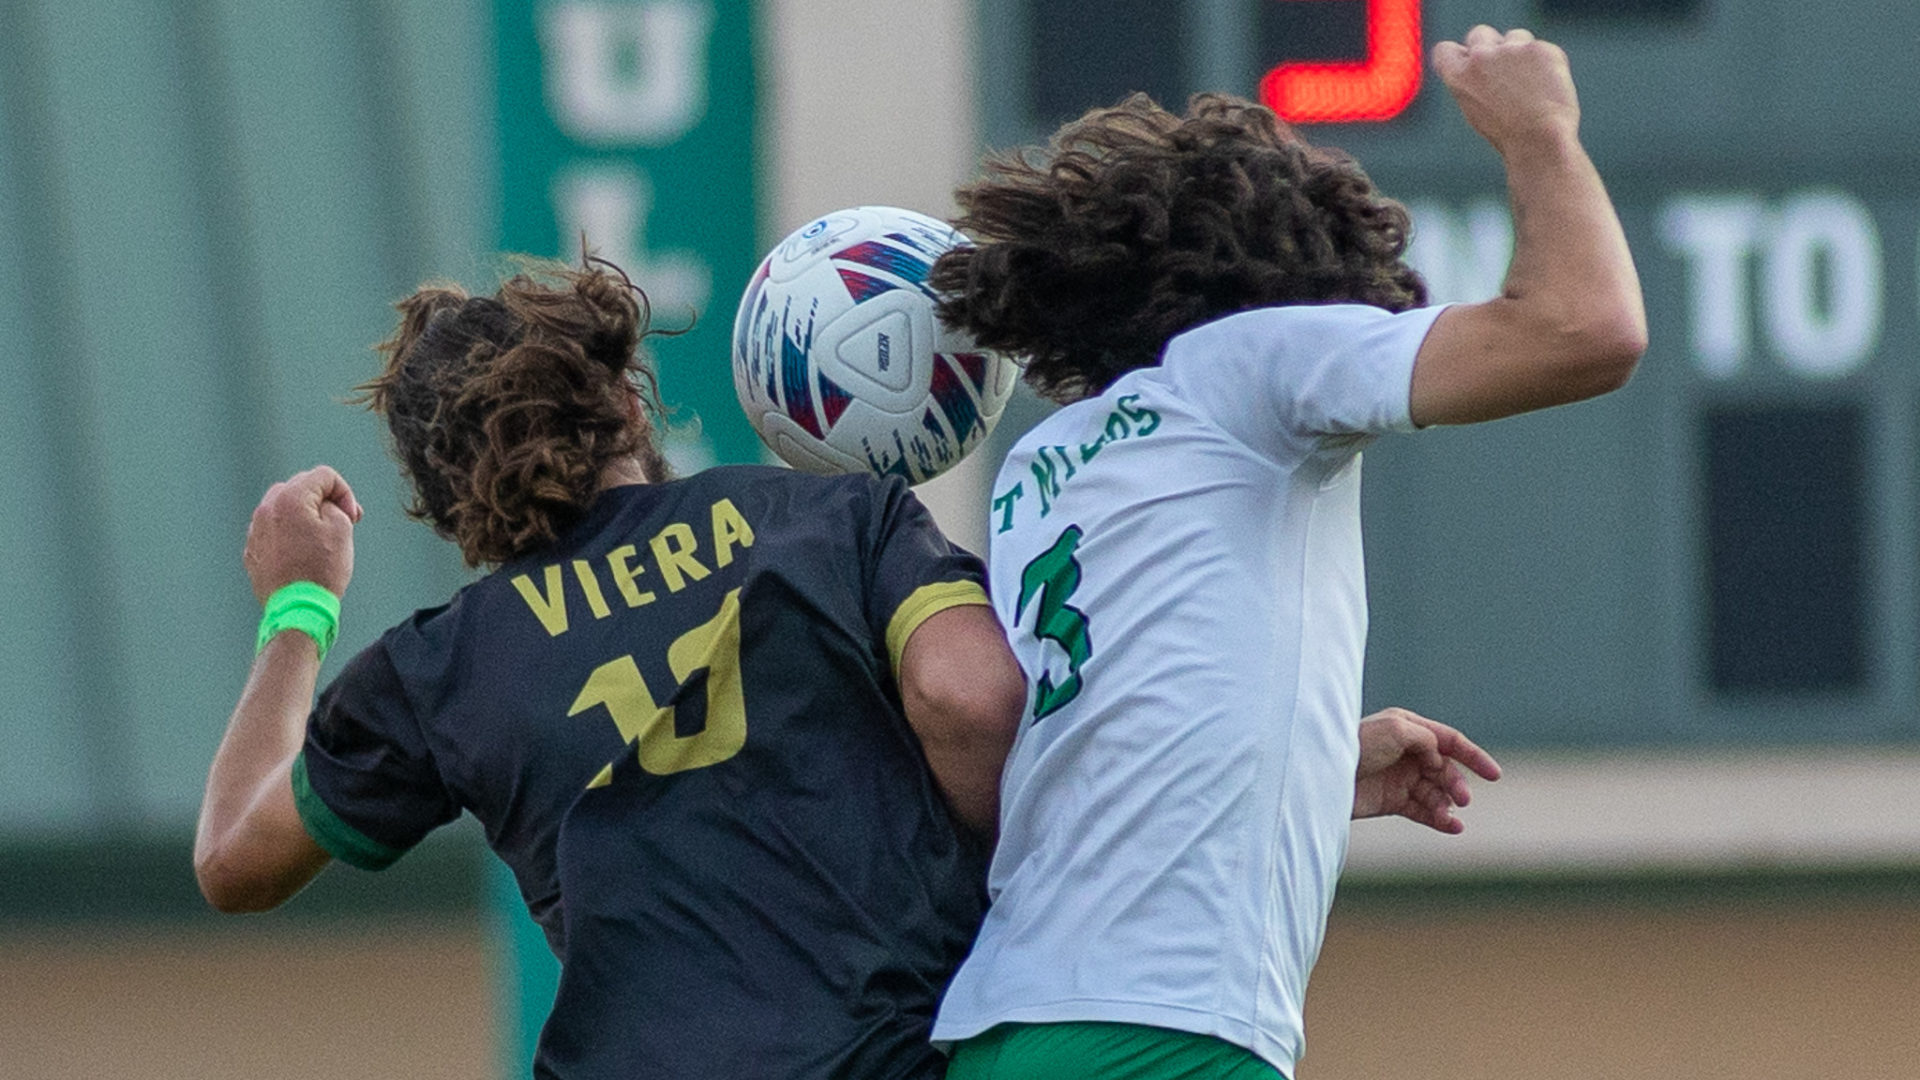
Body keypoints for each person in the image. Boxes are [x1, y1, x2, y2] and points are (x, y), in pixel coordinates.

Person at [929, 25, 1643, 1080]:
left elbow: (1089, 728)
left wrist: (1304, 761)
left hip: (1010, 1029)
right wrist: (1541, 132)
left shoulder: (1048, 459)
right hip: (1158, 1035)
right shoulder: (1249, 359)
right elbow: (1587, 330)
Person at [191, 259, 1030, 1079]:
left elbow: (234, 861)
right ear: (628, 404)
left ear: (442, 499)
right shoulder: (840, 516)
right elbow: (971, 699)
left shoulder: (437, 667)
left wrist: (298, 606)